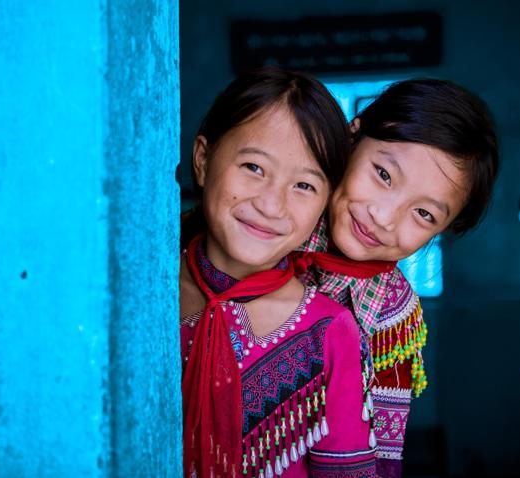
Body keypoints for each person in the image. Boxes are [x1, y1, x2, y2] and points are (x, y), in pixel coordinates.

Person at [179, 67, 377, 478]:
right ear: (203, 160)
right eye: (253, 167)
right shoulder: (140, 291)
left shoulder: (330, 332)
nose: (272, 205)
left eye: (304, 185)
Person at [299, 78, 500, 477]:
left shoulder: (394, 319)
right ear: (352, 136)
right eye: (384, 175)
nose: (384, 217)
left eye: (424, 214)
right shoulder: (277, 218)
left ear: (442, 231)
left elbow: (382, 459)